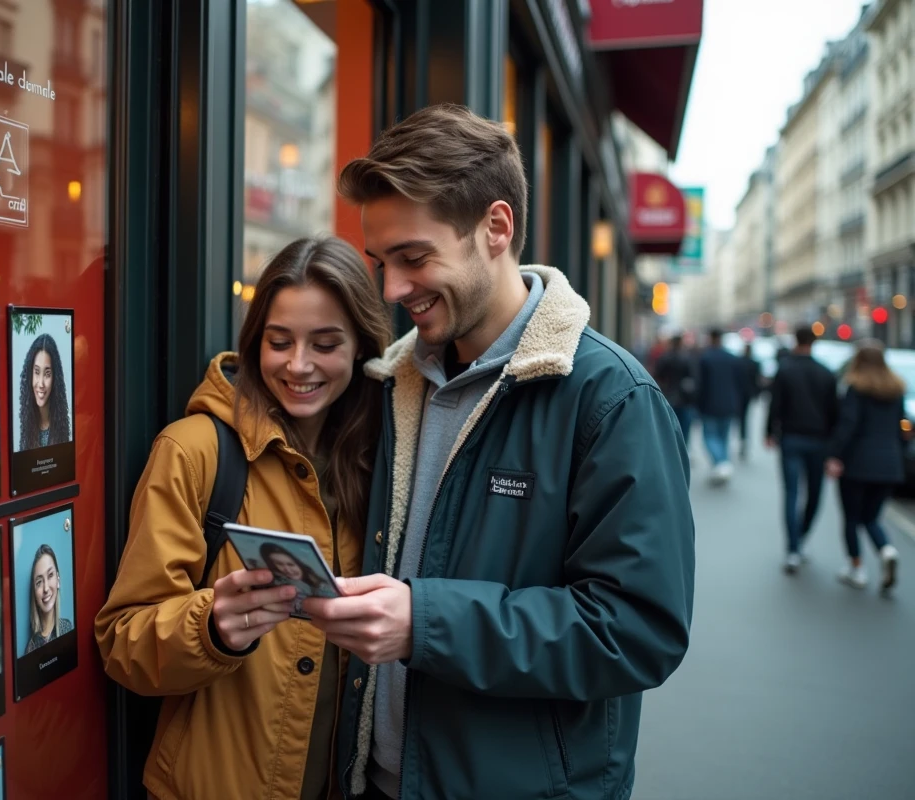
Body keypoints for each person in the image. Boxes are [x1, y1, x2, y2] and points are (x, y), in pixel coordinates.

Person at [301, 104, 694, 800]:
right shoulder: (397, 381)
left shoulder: (612, 398)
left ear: (497, 228)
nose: (392, 290)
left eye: (415, 257)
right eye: (383, 262)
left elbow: (638, 630)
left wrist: (427, 621)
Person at [94, 236, 391, 800]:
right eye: (280, 342)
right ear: (256, 341)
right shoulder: (193, 451)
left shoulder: (381, 460)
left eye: (325, 344)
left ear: (361, 347)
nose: (298, 365)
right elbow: (121, 640)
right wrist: (211, 629)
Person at [825, 341, 903, 592]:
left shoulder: (855, 388)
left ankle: (856, 568)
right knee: (871, 517)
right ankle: (887, 550)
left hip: (857, 463)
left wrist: (835, 455)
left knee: (851, 517)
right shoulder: (896, 390)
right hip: (889, 464)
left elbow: (848, 424)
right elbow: (899, 430)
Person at [767, 325, 838, 573]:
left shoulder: (785, 370)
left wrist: (769, 432)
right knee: (815, 495)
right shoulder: (827, 374)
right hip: (819, 441)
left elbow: (775, 405)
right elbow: (834, 413)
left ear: (795, 340)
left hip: (791, 439)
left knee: (791, 493)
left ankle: (793, 548)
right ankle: (801, 537)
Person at [696, 329, 744, 483]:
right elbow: (739, 384)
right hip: (728, 404)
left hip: (710, 404)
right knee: (723, 437)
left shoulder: (706, 358)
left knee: (709, 437)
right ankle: (722, 464)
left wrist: (698, 405)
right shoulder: (732, 358)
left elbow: (701, 385)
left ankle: (721, 463)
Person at [17, 332, 71, 450]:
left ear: (55, 378)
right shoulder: (25, 423)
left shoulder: (69, 425)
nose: (40, 383)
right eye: (36, 372)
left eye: (47, 374)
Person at [260, 542, 335, 615]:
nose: (287, 570)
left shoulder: (322, 587)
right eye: (279, 564)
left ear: (301, 564)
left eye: (291, 564)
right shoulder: (276, 582)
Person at [24, 544, 73, 654]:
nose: (46, 588)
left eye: (50, 575)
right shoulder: (31, 648)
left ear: (58, 581)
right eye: (39, 582)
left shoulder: (68, 627)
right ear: (35, 594)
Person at [652, 333, 698, 447]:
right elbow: (693, 377)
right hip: (684, 398)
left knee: (670, 427)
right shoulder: (687, 358)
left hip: (669, 395)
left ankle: (672, 447)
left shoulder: (666, 357)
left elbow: (658, 375)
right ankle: (683, 447)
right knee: (684, 428)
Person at [738, 342, 761, 459]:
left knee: (741, 418)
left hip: (739, 393)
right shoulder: (754, 363)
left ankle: (742, 439)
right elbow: (757, 380)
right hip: (747, 394)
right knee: (744, 418)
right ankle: (743, 440)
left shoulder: (739, 362)